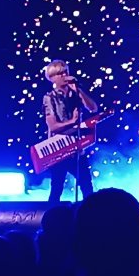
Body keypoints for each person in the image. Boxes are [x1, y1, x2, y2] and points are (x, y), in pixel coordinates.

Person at [43, 59, 99, 202]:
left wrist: (78, 90)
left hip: (76, 148)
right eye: (59, 74)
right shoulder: (49, 98)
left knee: (86, 185)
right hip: (59, 148)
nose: (64, 76)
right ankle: (52, 217)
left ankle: (90, 214)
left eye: (65, 72)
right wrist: (72, 122)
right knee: (57, 187)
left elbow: (93, 108)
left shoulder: (75, 94)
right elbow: (53, 126)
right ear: (52, 78)